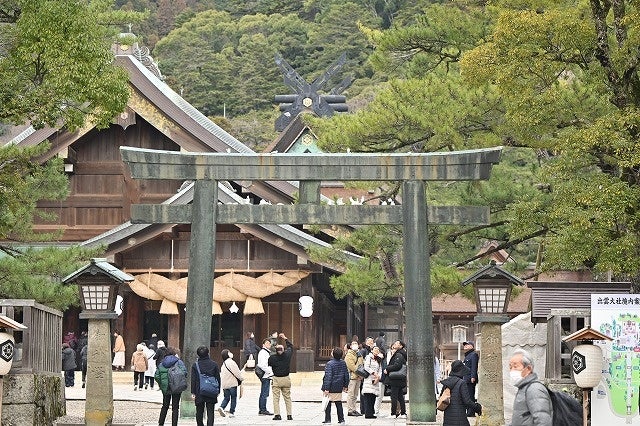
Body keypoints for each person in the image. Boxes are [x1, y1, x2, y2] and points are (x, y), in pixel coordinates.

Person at [509, 349, 553, 426]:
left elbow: (543, 421)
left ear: (528, 369)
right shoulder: (524, 388)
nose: (512, 371)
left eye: (515, 366)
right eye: (510, 367)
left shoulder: (534, 389)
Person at [440, 360, 482, 425]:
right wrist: (478, 407)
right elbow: (467, 401)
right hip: (460, 419)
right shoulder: (462, 383)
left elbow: (441, 397)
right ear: (461, 371)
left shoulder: (447, 382)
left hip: (448, 420)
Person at [155, 347, 187, 426]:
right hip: (176, 386)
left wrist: (162, 384)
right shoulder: (179, 362)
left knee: (165, 406)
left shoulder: (162, 363)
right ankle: (174, 424)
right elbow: (184, 372)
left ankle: (161, 423)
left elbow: (157, 376)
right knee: (175, 407)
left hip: (166, 387)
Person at [191, 346, 221, 426]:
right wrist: (218, 390)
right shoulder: (214, 364)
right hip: (211, 390)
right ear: (208, 353)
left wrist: (193, 392)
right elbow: (218, 378)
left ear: (198, 354)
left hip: (199, 391)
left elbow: (193, 379)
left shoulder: (195, 365)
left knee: (199, 412)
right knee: (210, 412)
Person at [268, 333, 294, 421]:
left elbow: (269, 364)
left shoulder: (272, 358)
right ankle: (289, 415)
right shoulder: (287, 355)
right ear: (283, 350)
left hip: (276, 379)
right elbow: (291, 346)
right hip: (286, 378)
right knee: (287, 398)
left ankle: (277, 415)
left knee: (276, 398)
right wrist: (285, 338)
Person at [321, 347, 349, 425]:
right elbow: (346, 375)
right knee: (338, 403)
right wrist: (345, 385)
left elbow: (328, 377)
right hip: (339, 386)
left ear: (333, 354)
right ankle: (341, 419)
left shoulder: (330, 364)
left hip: (330, 387)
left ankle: (328, 420)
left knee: (328, 403)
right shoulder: (343, 363)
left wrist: (326, 388)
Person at [384, 340, 407, 419]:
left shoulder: (399, 354)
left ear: (401, 346)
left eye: (397, 343)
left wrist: (387, 368)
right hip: (398, 379)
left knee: (394, 396)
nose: (395, 344)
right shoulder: (401, 353)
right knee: (400, 397)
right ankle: (403, 413)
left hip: (395, 379)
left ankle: (393, 413)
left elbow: (397, 365)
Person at [218, 349, 243, 418]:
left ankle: (222, 407)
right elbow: (237, 372)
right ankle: (232, 412)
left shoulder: (223, 364)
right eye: (229, 352)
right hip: (232, 383)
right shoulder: (231, 362)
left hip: (225, 385)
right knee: (233, 398)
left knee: (226, 398)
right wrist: (241, 378)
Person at [361, 346, 383, 419]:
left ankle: (371, 413)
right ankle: (368, 413)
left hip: (375, 380)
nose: (376, 350)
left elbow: (380, 369)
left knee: (373, 397)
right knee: (368, 396)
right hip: (369, 379)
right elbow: (366, 367)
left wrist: (378, 377)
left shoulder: (379, 359)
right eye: (375, 349)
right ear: (372, 350)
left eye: (378, 349)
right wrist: (374, 373)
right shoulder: (368, 357)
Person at [344, 340, 363, 417]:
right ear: (350, 346)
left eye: (356, 344)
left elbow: (361, 364)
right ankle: (350, 410)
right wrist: (359, 373)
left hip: (358, 377)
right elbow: (351, 366)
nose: (355, 345)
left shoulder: (359, 354)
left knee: (355, 395)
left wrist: (361, 374)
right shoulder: (349, 355)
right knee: (351, 394)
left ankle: (354, 409)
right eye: (353, 344)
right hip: (352, 377)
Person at [257, 338, 274, 415]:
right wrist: (270, 372)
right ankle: (262, 409)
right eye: (267, 343)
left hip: (266, 375)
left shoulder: (266, 352)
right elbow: (263, 365)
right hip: (265, 375)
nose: (269, 344)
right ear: (263, 344)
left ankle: (262, 409)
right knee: (264, 393)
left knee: (264, 392)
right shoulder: (263, 352)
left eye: (269, 343)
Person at [463, 341, 479, 417]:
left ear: (472, 346)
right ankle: (468, 411)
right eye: (464, 345)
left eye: (467, 344)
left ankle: (471, 412)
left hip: (470, 378)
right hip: (465, 378)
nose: (465, 346)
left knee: (470, 395)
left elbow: (474, 366)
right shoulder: (467, 355)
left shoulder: (474, 354)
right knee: (467, 395)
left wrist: (473, 377)